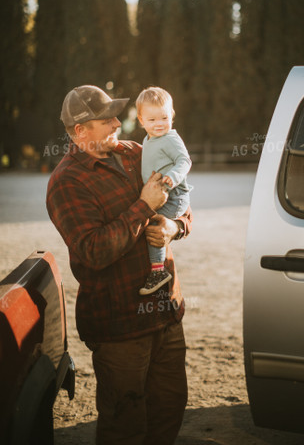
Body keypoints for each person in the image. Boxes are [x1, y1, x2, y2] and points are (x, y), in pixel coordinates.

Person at [46, 85, 192, 445]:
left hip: (165, 312)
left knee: (170, 407)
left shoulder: (135, 152)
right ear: (80, 132)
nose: (117, 122)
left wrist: (176, 226)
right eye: (105, 119)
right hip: (120, 327)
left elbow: (180, 200)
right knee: (124, 425)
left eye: (116, 114)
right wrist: (143, 207)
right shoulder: (66, 182)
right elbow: (93, 251)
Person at [136, 87, 192, 296]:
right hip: (163, 193)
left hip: (174, 195)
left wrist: (174, 177)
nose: (159, 124)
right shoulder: (148, 140)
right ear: (141, 120)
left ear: (172, 115)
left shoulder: (170, 138)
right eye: (152, 120)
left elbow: (185, 160)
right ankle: (156, 268)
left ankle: (158, 271)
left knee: (154, 227)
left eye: (164, 117)